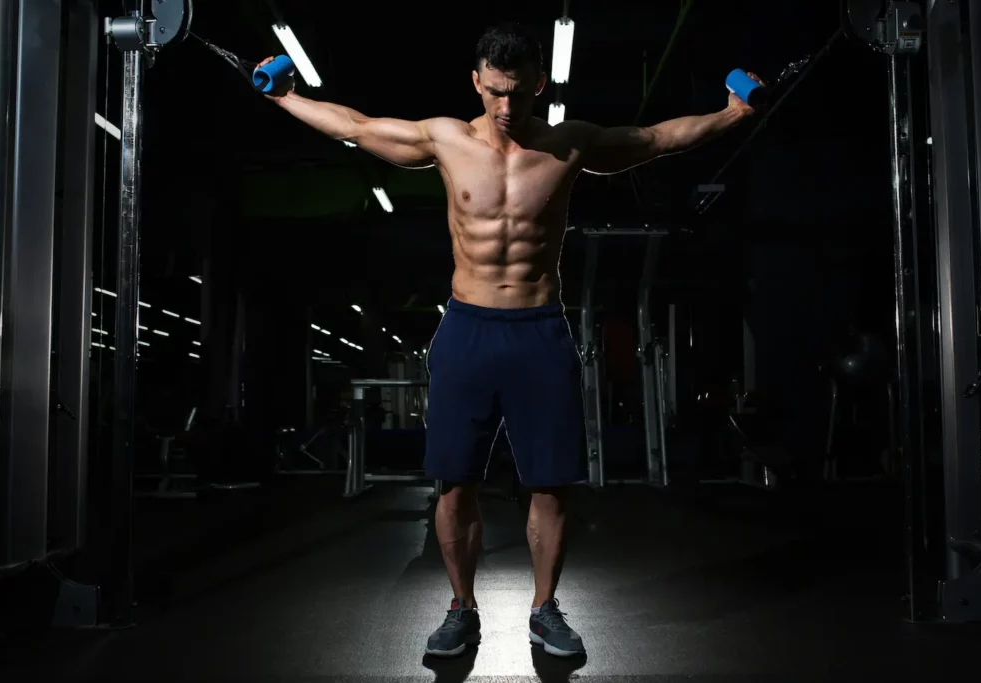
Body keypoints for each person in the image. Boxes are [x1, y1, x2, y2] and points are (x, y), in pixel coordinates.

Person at [257, 21, 758, 658]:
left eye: (517, 94)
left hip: (540, 330)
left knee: (550, 484)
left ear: (539, 86)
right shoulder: (445, 138)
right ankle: (461, 609)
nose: (504, 106)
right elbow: (356, 125)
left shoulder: (569, 144)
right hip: (466, 329)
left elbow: (657, 139)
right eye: (494, 91)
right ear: (476, 82)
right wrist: (285, 98)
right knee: (454, 483)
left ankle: (545, 608)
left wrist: (734, 112)